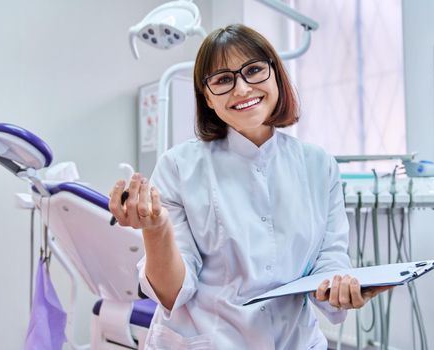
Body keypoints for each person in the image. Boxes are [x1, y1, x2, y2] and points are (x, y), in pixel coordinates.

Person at [109, 24, 391, 350]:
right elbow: (173, 291)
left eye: (254, 70)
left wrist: (341, 287)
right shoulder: (179, 166)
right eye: (223, 79)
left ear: (276, 76)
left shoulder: (319, 164)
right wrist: (156, 229)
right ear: (208, 100)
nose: (241, 88)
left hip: (296, 341)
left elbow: (329, 259)